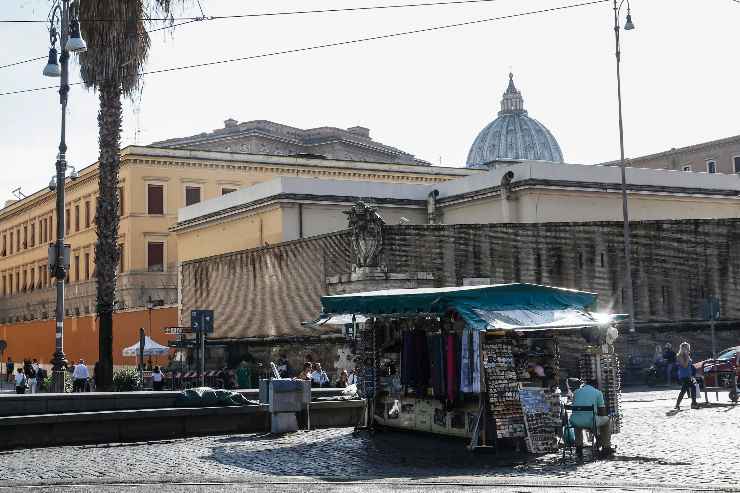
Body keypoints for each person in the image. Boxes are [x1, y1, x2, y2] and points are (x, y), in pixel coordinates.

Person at [568, 378, 614, 459]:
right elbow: (602, 412)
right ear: (595, 386)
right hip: (590, 421)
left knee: (578, 422)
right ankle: (606, 446)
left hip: (574, 421)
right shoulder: (598, 393)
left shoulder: (576, 392)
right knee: (607, 420)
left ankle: (579, 447)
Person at [675, 342, 698, 410]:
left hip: (688, 375)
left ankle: (677, 404)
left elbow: (690, 365)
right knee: (692, 387)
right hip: (684, 375)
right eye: (687, 348)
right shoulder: (679, 356)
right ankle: (693, 403)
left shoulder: (686, 355)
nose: (688, 349)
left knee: (684, 389)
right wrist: (687, 356)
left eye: (688, 348)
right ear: (682, 348)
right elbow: (684, 365)